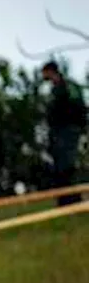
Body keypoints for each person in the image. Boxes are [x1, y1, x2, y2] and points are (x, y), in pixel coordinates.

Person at [41, 61, 86, 206]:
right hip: (57, 132)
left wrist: (77, 126)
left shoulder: (67, 86)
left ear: (50, 71)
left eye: (45, 72)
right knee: (59, 165)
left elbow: (78, 107)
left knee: (67, 164)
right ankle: (64, 199)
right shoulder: (55, 89)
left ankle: (72, 199)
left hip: (68, 130)